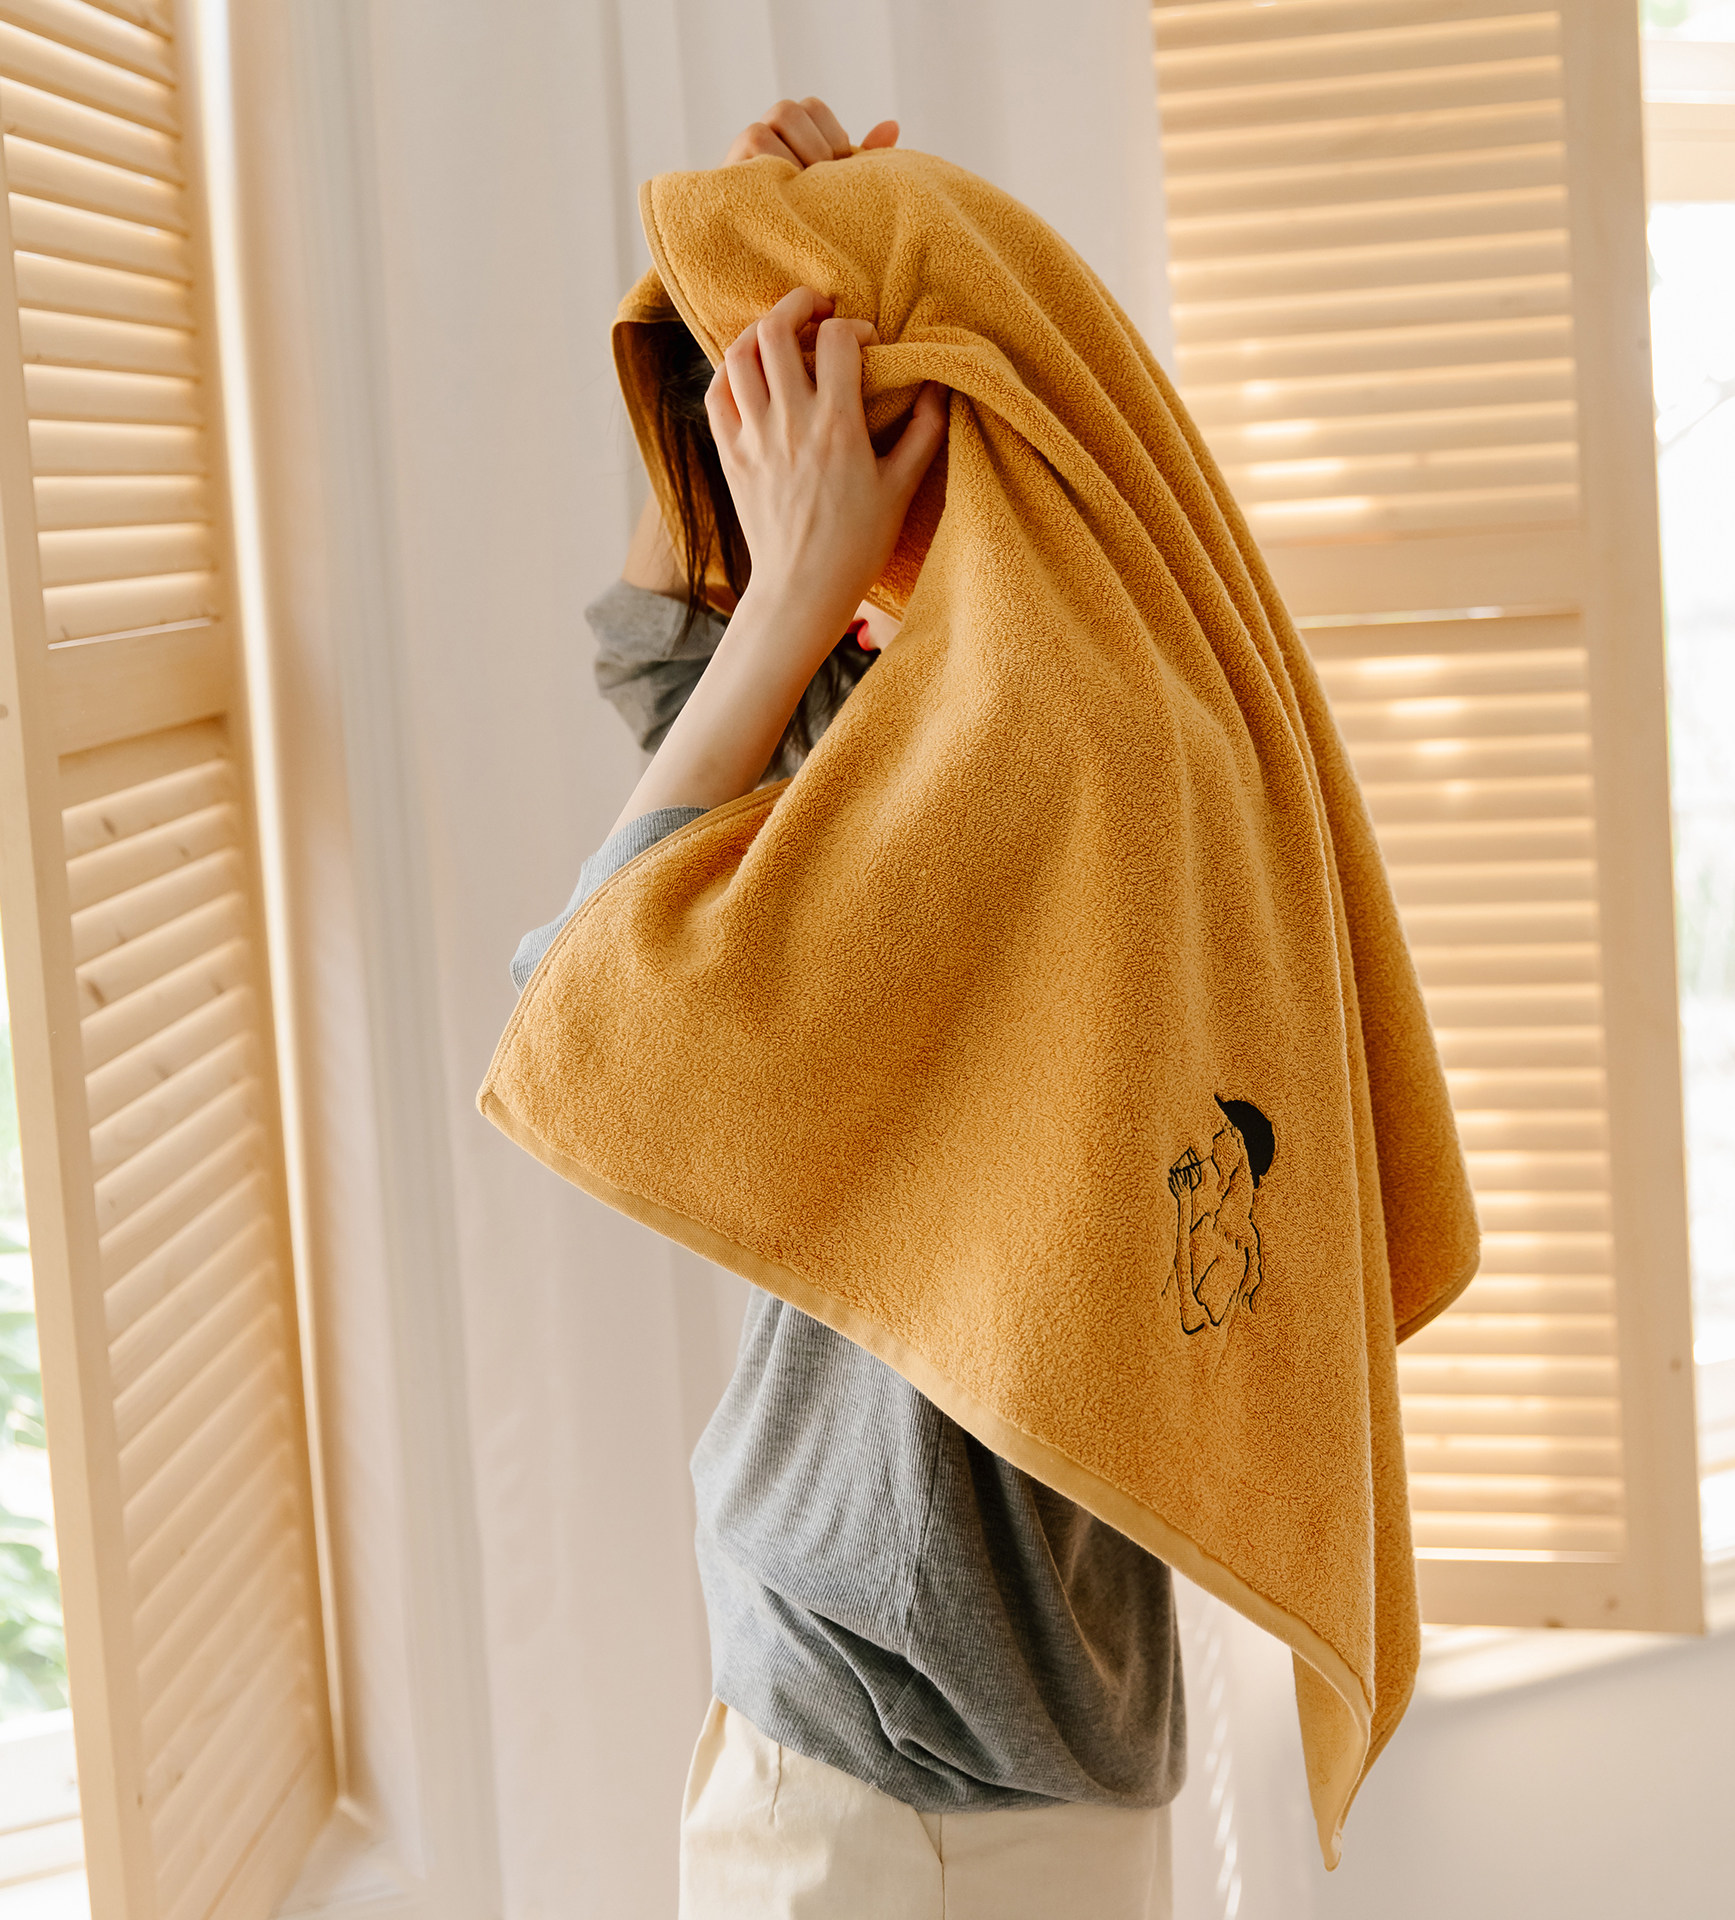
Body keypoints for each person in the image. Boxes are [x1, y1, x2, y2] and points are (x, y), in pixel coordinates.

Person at [513, 101, 1182, 1919]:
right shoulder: (1001, 714)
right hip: (912, 1738)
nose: (778, 463)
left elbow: (592, 1007)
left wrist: (804, 584)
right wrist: (725, 293)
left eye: (825, 408)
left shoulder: (1053, 766)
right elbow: (672, 680)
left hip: (911, 1787)